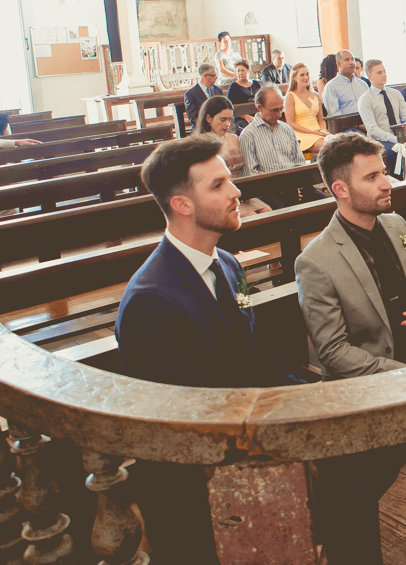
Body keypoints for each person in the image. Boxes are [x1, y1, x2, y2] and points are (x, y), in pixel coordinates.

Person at [116, 135, 303, 565]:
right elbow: (183, 418)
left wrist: (311, 396)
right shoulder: (151, 299)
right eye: (218, 185)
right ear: (182, 204)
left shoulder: (227, 263)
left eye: (229, 180)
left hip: (243, 446)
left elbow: (250, 358)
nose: (237, 191)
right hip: (195, 490)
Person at [295, 132, 406, 563]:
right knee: (350, 495)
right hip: (372, 387)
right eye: (372, 177)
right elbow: (333, 352)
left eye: (383, 172)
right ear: (341, 189)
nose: (387, 183)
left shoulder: (396, 225)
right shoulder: (316, 261)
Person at [239, 86, 323, 208]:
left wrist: (297, 185)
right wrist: (283, 187)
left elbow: (299, 163)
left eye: (281, 109)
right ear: (260, 108)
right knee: (284, 209)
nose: (279, 114)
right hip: (269, 191)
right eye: (274, 110)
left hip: (296, 186)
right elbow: (250, 174)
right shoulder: (248, 135)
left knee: (329, 204)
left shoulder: (287, 129)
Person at [196, 95, 272, 217]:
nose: (227, 124)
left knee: (268, 212)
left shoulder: (234, 138)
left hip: (243, 192)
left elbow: (247, 166)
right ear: (208, 118)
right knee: (251, 216)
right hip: (220, 195)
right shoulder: (201, 145)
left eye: (229, 119)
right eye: (223, 120)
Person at [284, 62, 328, 156]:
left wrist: (323, 131)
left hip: (318, 132)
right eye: (302, 75)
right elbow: (290, 123)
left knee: (340, 144)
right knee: (328, 147)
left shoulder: (315, 95)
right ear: (294, 77)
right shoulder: (290, 96)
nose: (306, 77)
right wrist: (311, 132)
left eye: (307, 74)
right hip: (301, 134)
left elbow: (321, 119)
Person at [321, 48, 368, 119]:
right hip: (346, 125)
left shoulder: (363, 84)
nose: (351, 62)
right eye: (347, 60)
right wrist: (357, 124)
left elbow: (370, 106)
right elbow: (335, 115)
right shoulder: (331, 87)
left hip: (367, 122)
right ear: (338, 64)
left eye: (353, 59)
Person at [184, 64, 223, 134]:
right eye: (214, 75)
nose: (216, 78)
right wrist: (211, 124)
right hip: (202, 129)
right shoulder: (191, 94)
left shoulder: (217, 90)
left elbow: (223, 109)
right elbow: (193, 118)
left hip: (219, 126)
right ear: (205, 76)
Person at [226, 60, 262, 129]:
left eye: (242, 70)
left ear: (249, 71)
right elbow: (231, 107)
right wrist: (248, 117)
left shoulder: (257, 84)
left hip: (258, 114)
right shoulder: (234, 87)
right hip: (242, 117)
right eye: (238, 71)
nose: (240, 73)